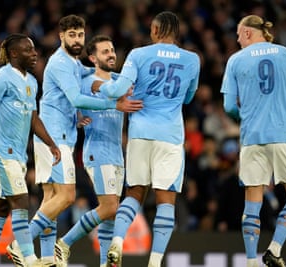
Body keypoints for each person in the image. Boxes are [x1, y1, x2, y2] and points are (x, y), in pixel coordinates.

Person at [5, 15, 143, 267]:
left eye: (80, 35)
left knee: (51, 200)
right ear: (61, 36)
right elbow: (76, 98)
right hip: (54, 139)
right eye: (72, 35)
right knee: (67, 197)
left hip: (60, 136)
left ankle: (47, 260)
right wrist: (114, 102)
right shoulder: (60, 63)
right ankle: (19, 244)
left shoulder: (74, 63)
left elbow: (89, 72)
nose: (77, 40)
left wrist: (111, 77)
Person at [92, 11, 200, 267]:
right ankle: (154, 262)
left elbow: (118, 90)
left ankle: (117, 242)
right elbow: (188, 98)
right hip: (171, 137)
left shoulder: (138, 55)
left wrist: (100, 87)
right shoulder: (193, 59)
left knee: (134, 193)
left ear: (154, 30)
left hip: (140, 134)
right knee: (166, 199)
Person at [0, 33, 61, 267]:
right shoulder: (1, 78)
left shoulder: (31, 82)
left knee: (0, 208)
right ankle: (28, 258)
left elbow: (33, 117)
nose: (35, 53)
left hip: (17, 155)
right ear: (14, 54)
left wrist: (51, 142)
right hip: (0, 152)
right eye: (29, 50)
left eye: (34, 49)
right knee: (21, 201)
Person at [220, 15, 286, 267]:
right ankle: (275, 248)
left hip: (251, 138)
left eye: (238, 34)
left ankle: (250, 261)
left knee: (252, 197)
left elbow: (228, 107)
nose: (237, 40)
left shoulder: (235, 60)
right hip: (282, 135)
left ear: (248, 32)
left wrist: (244, 117)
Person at [53, 34, 129, 267]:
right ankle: (64, 243)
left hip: (117, 152)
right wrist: (75, 119)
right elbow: (68, 103)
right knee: (109, 206)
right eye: (105, 51)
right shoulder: (85, 83)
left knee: (111, 213)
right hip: (97, 150)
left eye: (113, 49)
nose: (112, 54)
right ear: (93, 58)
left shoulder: (120, 81)